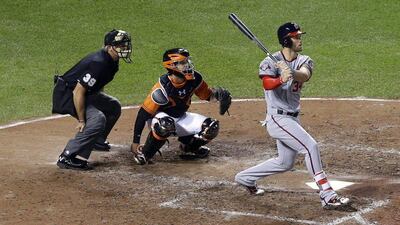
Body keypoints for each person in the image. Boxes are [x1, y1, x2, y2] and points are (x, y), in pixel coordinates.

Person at [234, 22, 351, 209]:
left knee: (284, 163)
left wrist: (291, 72)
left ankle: (244, 178)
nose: (300, 39)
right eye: (296, 37)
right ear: (286, 40)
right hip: (277, 119)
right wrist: (280, 78)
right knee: (310, 146)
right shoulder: (268, 62)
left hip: (293, 118)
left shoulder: (305, 60)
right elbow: (266, 84)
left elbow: (304, 75)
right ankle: (328, 195)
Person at [130, 48, 231, 165]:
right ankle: (145, 153)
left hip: (180, 117)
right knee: (165, 124)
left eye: (187, 61)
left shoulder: (195, 79)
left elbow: (207, 96)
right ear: (172, 66)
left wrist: (219, 96)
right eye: (183, 63)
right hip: (158, 119)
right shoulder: (162, 87)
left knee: (211, 127)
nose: (187, 65)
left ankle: (189, 147)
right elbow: (143, 114)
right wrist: (135, 142)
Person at [53, 29, 132, 170]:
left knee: (113, 106)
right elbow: (78, 91)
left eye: (125, 45)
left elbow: (97, 84)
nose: (125, 48)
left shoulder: (112, 60)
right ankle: (67, 156)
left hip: (86, 93)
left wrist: (99, 101)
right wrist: (82, 120)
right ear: (109, 47)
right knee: (97, 119)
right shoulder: (99, 62)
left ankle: (96, 140)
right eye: (121, 45)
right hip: (68, 94)